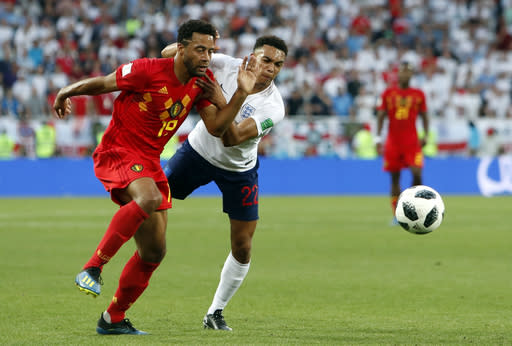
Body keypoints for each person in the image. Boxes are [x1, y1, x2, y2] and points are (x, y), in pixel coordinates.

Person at [53, 19, 260, 335]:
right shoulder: (147, 69)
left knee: (154, 252)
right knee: (147, 198)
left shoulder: (202, 81)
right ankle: (93, 267)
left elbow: (218, 127)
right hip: (120, 151)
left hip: (149, 162)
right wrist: (67, 91)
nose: (206, 57)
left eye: (211, 50)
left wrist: (240, 94)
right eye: (200, 49)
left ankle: (113, 319)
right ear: (182, 48)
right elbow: (105, 83)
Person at [161, 35, 288, 331]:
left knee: (243, 246)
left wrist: (222, 97)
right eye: (266, 60)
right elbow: (172, 55)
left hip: (239, 168)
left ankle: (214, 313)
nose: (271, 68)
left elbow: (231, 138)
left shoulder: (274, 107)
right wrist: (189, 51)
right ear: (251, 57)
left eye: (278, 64)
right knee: (152, 199)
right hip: (197, 153)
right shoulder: (223, 64)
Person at [375, 61, 429, 220]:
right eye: (402, 71)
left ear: (412, 75)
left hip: (412, 141)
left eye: (408, 71)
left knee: (417, 173)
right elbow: (381, 116)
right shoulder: (388, 93)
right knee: (394, 177)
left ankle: (416, 207)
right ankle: (397, 215)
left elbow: (425, 115)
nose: (405, 74)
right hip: (393, 141)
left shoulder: (418, 94)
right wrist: (378, 138)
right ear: (398, 74)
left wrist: (425, 134)